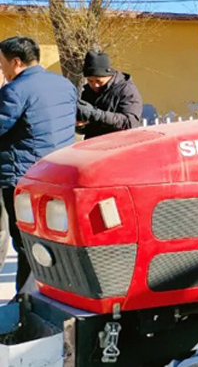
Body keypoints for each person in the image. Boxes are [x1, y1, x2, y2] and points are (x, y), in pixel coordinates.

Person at [0, 36, 76, 291]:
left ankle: (26, 299)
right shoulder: (64, 85)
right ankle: (58, 291)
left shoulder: (14, 91)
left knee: (25, 243)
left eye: (2, 64)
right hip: (58, 176)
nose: (2, 70)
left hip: (22, 177)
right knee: (55, 240)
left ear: (16, 62)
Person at [76, 50, 143, 139]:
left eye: (99, 81)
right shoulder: (88, 91)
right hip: (93, 145)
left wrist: (95, 114)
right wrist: (80, 125)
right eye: (90, 81)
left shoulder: (127, 90)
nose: (94, 85)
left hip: (118, 145)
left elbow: (130, 122)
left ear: (109, 75)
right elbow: (88, 127)